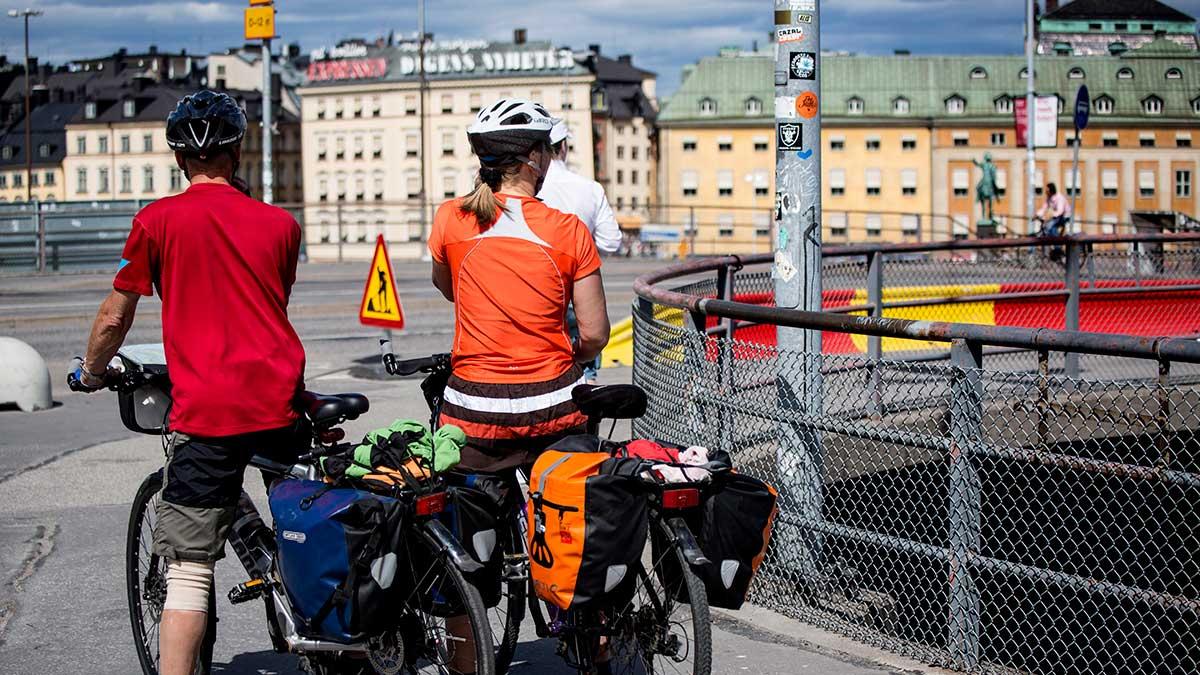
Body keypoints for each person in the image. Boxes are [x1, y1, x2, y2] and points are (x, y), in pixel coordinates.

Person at [69, 90, 306, 675]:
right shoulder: (281, 225)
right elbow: (268, 304)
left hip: (207, 409)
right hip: (280, 398)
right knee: (303, 525)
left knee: (189, 568)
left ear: (179, 158)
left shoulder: (156, 221)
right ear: (239, 151)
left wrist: (91, 371)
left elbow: (115, 316)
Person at [428, 96, 610, 673]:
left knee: (464, 561)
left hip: (475, 415)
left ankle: (469, 659)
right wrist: (567, 349)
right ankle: (593, 643)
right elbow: (597, 333)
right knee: (579, 531)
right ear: (535, 158)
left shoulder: (452, 219)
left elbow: (450, 285)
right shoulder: (567, 230)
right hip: (554, 410)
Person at [537, 119, 620, 383]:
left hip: (538, 290)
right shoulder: (589, 189)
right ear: (563, 147)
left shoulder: (528, 190)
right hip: (579, 288)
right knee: (586, 373)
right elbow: (611, 241)